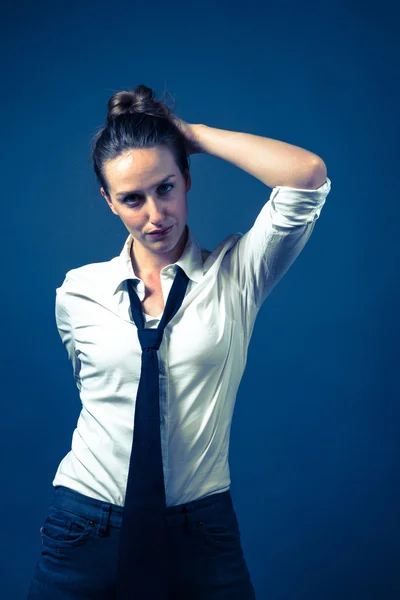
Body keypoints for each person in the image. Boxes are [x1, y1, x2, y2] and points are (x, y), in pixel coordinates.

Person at [27, 84, 331, 600]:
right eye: (132, 198)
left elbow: (305, 177)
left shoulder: (238, 275)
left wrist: (192, 135)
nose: (155, 214)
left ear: (187, 178)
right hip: (84, 524)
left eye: (166, 188)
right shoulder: (78, 292)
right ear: (109, 202)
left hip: (200, 529)